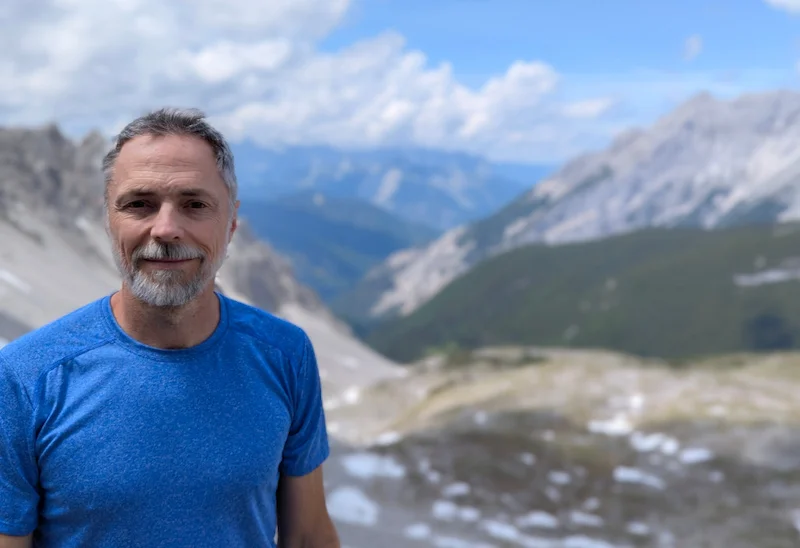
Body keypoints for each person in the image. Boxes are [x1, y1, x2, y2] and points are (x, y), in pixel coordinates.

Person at [0, 108, 340, 548]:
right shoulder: (23, 377)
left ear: (232, 222)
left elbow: (308, 535)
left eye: (195, 204)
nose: (165, 228)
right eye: (138, 204)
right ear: (108, 219)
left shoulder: (286, 354)